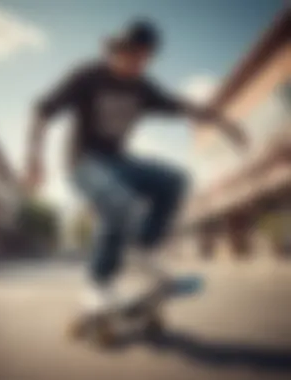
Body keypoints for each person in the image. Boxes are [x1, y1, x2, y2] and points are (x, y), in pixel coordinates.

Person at [26, 20, 247, 315]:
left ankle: (143, 250)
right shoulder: (87, 76)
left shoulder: (143, 88)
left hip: (119, 163)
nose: (138, 65)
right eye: (133, 56)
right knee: (120, 203)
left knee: (175, 180)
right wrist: (34, 157)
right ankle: (98, 285)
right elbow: (43, 109)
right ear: (117, 50)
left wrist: (227, 125)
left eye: (145, 59)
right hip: (83, 163)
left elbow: (184, 107)